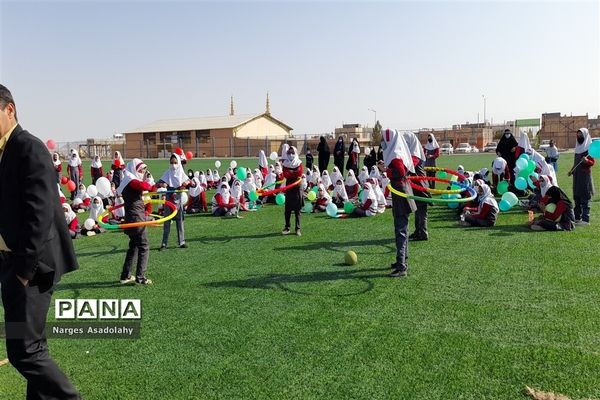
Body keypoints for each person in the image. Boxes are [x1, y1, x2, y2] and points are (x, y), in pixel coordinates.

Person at [0, 85, 80, 399]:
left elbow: (40, 213)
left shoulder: (28, 147)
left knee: (23, 350)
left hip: (33, 267)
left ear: (10, 109)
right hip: (13, 264)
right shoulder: (4, 150)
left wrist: (22, 271)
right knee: (33, 343)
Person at [381, 128, 415, 278]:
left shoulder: (395, 155)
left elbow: (399, 172)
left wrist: (386, 170)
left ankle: (401, 267)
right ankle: (402, 261)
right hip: (402, 192)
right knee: (403, 230)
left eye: (384, 139)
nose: (383, 142)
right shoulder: (397, 151)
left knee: (400, 230)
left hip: (401, 194)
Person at [117, 158, 155, 285]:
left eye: (144, 169)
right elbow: (143, 186)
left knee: (133, 247)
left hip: (131, 217)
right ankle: (141, 277)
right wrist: (149, 184)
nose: (143, 172)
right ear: (134, 169)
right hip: (136, 218)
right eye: (141, 169)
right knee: (144, 246)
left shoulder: (128, 180)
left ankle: (125, 275)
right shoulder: (131, 180)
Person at [158, 154, 195, 249]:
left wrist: (187, 182)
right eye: (171, 163)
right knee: (166, 222)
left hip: (179, 202)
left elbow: (192, 184)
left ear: (178, 163)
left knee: (180, 221)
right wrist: (163, 184)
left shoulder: (182, 174)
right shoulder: (167, 173)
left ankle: (181, 242)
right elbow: (157, 183)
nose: (173, 165)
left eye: (175, 163)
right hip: (169, 202)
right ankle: (164, 244)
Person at [403, 130, 430, 241]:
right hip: (416, 186)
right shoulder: (412, 154)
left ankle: (423, 233)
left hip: (421, 186)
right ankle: (418, 231)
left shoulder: (415, 155)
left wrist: (402, 173)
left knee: (421, 211)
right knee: (417, 210)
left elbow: (410, 167)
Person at [568, 128, 595, 225]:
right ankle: (577, 217)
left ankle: (585, 219)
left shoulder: (589, 148)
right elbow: (576, 163)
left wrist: (586, 161)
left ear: (585, 136)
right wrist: (571, 170)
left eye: (581, 135)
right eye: (578, 134)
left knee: (584, 197)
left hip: (584, 177)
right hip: (576, 176)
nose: (579, 136)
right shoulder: (577, 148)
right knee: (577, 197)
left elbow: (592, 162)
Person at [282, 146, 304, 236]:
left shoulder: (299, 163)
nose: (291, 154)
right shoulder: (285, 163)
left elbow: (299, 173)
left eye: (292, 153)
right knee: (287, 209)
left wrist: (291, 172)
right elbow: (285, 174)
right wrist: (293, 173)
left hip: (297, 186)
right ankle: (287, 227)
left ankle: (297, 229)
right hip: (289, 187)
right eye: (289, 153)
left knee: (297, 210)